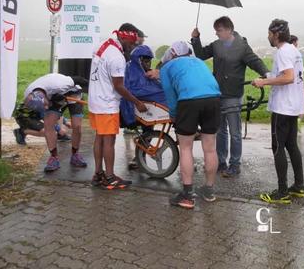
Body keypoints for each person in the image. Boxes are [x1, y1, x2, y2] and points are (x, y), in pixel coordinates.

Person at [191, 16, 268, 178]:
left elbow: (255, 62)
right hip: (217, 93)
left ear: (229, 30)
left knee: (234, 132)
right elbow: (200, 55)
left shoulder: (242, 46)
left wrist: (267, 75)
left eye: (219, 30)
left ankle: (234, 164)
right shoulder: (217, 45)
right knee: (220, 131)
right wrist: (195, 39)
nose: (216, 33)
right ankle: (220, 162)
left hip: (233, 94)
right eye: (216, 30)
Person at [161, 41, 221, 209]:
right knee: (210, 148)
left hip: (189, 101)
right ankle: (209, 191)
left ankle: (187, 196)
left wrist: (174, 116)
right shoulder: (199, 62)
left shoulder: (167, 67)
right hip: (214, 99)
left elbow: (170, 95)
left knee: (185, 148)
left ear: (171, 54)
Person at [252, 19, 304, 203]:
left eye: (269, 33)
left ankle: (282, 192)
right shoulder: (294, 50)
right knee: (292, 145)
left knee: (278, 147)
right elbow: (293, 76)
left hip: (282, 107)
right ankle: (299, 186)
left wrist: (263, 82)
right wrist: (268, 76)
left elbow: (289, 77)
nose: (268, 36)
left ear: (276, 34)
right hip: (293, 106)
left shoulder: (282, 52)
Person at [89, 27, 147, 190]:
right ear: (125, 39)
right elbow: (119, 86)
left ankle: (98, 174)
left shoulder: (102, 46)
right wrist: (137, 102)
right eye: (132, 43)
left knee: (99, 137)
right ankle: (109, 177)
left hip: (95, 100)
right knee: (109, 140)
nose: (133, 47)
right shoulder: (117, 57)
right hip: (107, 103)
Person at [13, 73, 87, 172]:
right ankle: (54, 158)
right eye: (44, 107)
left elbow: (80, 79)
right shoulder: (29, 95)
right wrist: (52, 106)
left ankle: (75, 155)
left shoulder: (61, 84)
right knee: (48, 125)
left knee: (76, 125)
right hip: (52, 97)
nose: (46, 108)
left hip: (73, 92)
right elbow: (44, 110)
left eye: (46, 105)